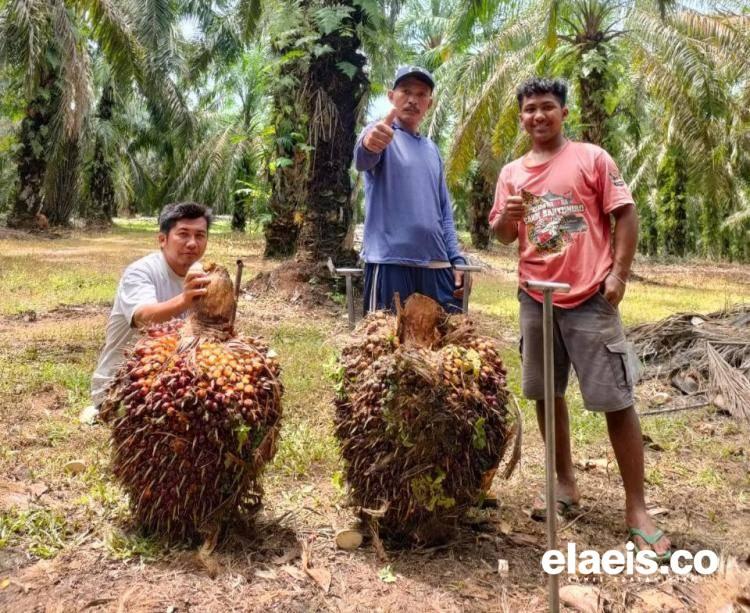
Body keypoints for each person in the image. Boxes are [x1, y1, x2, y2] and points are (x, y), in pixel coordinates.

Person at [489, 77, 671, 560]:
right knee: (547, 394)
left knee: (616, 399)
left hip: (589, 295)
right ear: (522, 117)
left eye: (547, 107)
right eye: (529, 109)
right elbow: (506, 237)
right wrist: (509, 215)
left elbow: (625, 215)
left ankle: (637, 508)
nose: (538, 116)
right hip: (535, 298)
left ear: (563, 112)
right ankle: (564, 485)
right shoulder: (511, 173)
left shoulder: (592, 159)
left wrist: (620, 276)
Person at [354, 65, 466, 314]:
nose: (413, 99)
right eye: (405, 91)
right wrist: (370, 144)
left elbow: (444, 213)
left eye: (421, 94)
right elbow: (363, 157)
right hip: (390, 262)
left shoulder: (432, 150)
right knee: (385, 345)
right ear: (391, 96)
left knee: (445, 346)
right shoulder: (380, 132)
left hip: (438, 265)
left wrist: (456, 259)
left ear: (430, 102)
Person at [85, 202, 212, 420]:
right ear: (162, 240)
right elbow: (143, 318)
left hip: (175, 380)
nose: (192, 243)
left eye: (200, 235)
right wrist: (184, 299)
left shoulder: (205, 277)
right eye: (183, 234)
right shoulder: (141, 272)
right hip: (124, 386)